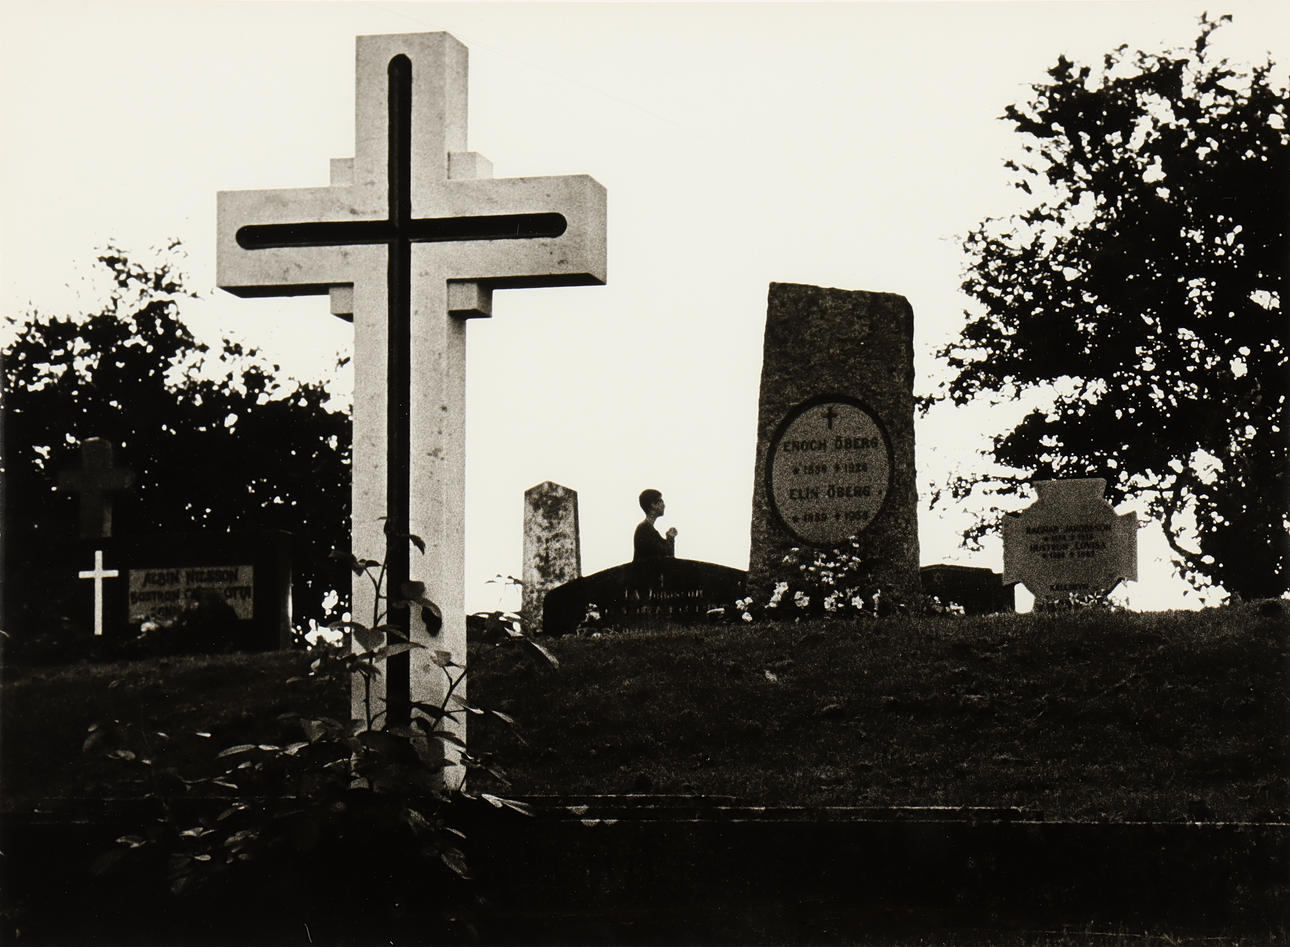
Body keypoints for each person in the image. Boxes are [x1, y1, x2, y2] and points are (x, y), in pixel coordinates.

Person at [633, 488, 677, 561]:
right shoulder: (644, 529)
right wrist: (670, 538)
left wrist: (670, 538)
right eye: (661, 501)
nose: (664, 505)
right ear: (653, 505)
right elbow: (665, 555)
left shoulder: (647, 529)